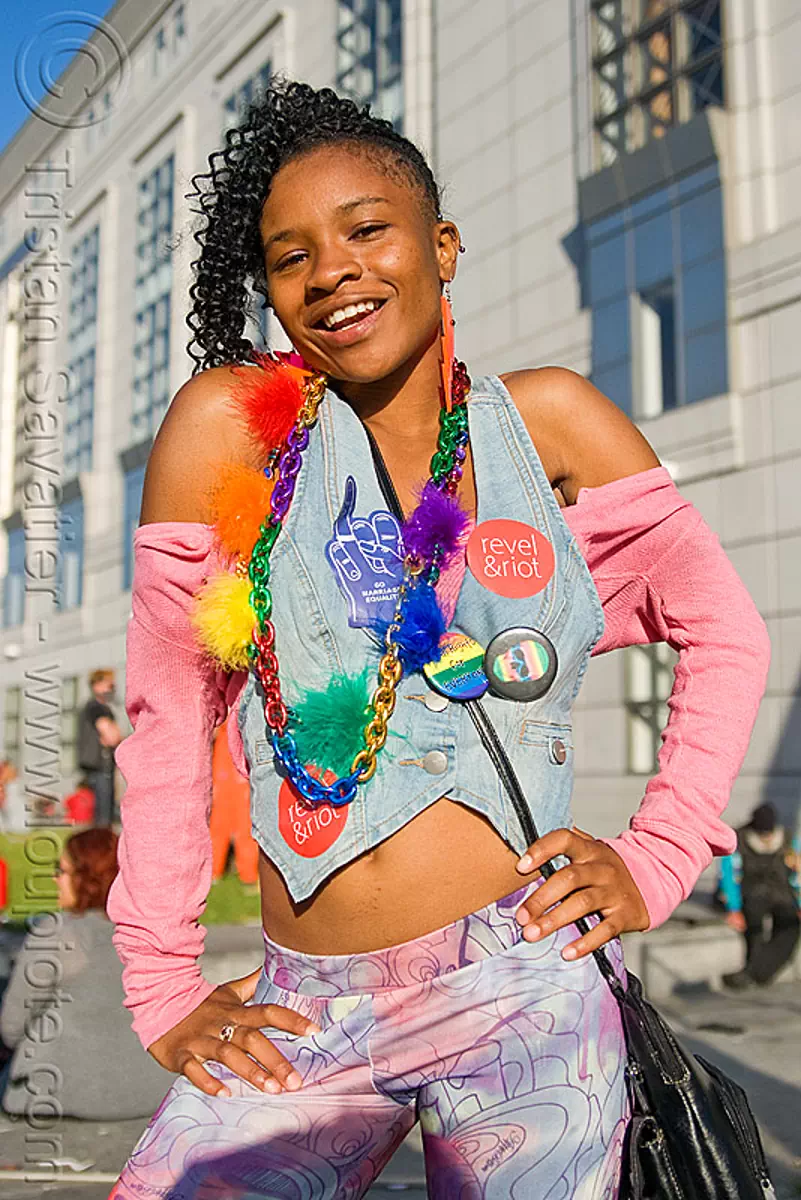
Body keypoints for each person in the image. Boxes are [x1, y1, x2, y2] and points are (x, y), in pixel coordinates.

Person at [105, 81, 771, 1199]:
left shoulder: (550, 427)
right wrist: (165, 990)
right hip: (298, 1010)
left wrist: (655, 860)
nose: (332, 271)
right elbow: (169, 728)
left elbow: (728, 635)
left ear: (442, 245)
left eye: (367, 228)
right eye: (289, 256)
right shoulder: (227, 432)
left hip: (525, 987)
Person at [0, 828, 174, 1119]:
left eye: (62, 870)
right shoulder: (151, 933)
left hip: (58, 1093)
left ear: (84, 878)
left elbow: (12, 1025)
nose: (55, 879)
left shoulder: (58, 934)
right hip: (148, 1090)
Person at [720, 802, 801, 989]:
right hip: (751, 894)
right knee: (754, 925)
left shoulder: (788, 840)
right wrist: (733, 908)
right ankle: (755, 975)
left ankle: (754, 974)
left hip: (782, 895)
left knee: (791, 926)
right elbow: (729, 876)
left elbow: (797, 875)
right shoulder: (738, 840)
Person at [210, 716, 259, 887]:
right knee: (219, 821)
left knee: (243, 822)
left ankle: (248, 874)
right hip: (225, 754)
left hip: (239, 747)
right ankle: (214, 870)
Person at [78, 669, 123, 827]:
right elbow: (112, 737)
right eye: (109, 684)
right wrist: (114, 734)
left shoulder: (104, 708)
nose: (112, 688)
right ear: (97, 685)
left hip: (102, 765)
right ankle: (102, 847)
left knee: (104, 811)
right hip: (99, 765)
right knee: (103, 814)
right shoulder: (96, 708)